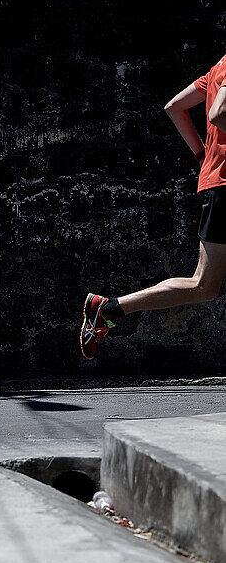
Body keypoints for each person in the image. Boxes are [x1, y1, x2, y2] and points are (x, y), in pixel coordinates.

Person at [80, 54, 226, 359]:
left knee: (204, 285)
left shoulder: (218, 68)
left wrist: (202, 156)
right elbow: (218, 113)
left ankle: (108, 308)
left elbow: (174, 108)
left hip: (216, 183)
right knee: (203, 284)